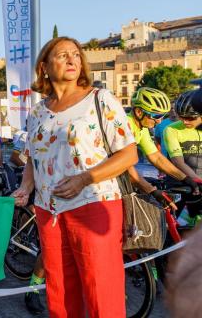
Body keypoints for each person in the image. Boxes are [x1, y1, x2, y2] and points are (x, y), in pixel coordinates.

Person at [12, 37, 138, 317]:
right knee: (60, 292)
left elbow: (129, 155)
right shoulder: (36, 112)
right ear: (44, 67)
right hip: (49, 211)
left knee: (100, 293)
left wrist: (85, 179)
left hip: (94, 205)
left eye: (76, 55)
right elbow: (33, 157)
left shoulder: (100, 99)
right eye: (62, 55)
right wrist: (25, 187)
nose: (72, 60)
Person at [125, 87, 201, 208]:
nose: (159, 121)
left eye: (162, 115)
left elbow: (156, 157)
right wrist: (151, 190)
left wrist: (186, 179)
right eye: (156, 115)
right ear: (139, 112)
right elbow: (125, 168)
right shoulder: (125, 126)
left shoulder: (141, 127)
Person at [162, 90, 202, 222]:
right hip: (181, 184)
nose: (185, 121)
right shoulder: (172, 129)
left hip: (199, 185)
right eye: (181, 116)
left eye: (190, 118)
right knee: (184, 228)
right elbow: (178, 161)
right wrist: (197, 181)